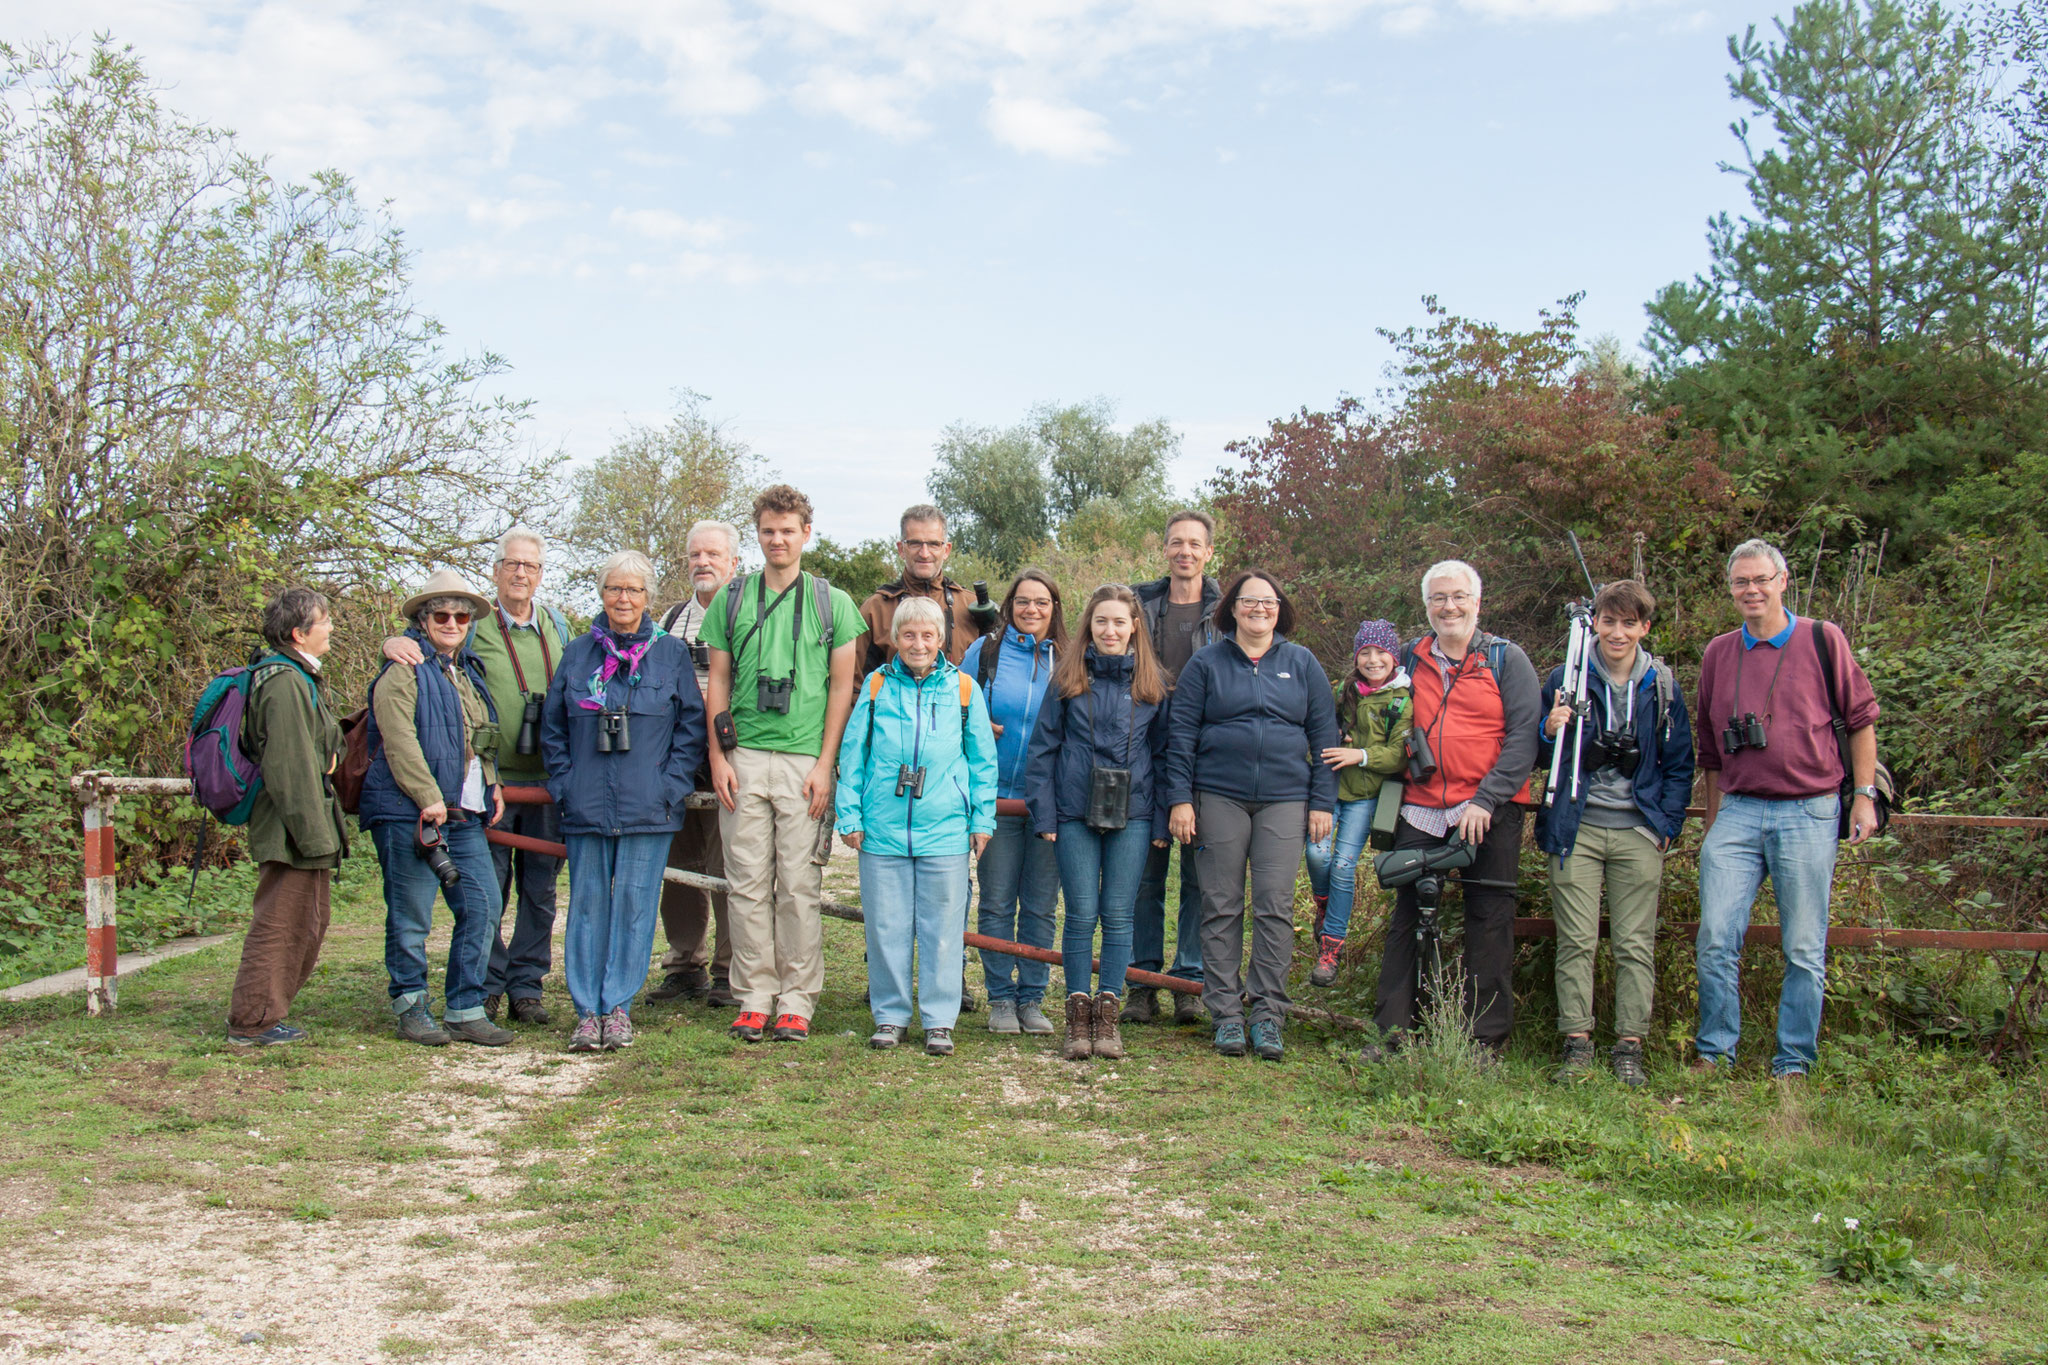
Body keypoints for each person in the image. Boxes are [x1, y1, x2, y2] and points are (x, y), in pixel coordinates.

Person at [1693, 539, 1880, 1081]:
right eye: (1740, 582)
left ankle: (1793, 1061)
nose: (1751, 590)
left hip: (1810, 810)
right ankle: (1715, 1052)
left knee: (1803, 946)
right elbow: (1709, 747)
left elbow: (1862, 720)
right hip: (1739, 810)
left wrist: (1863, 796)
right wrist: (1713, 819)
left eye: (1760, 580)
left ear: (1783, 580)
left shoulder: (1823, 639)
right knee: (1715, 939)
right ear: (1731, 589)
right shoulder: (1718, 652)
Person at [384, 530, 571, 1027]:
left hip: (547, 778)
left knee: (541, 891)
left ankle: (525, 988)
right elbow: (425, 657)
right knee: (490, 888)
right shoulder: (475, 627)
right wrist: (394, 641)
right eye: (511, 564)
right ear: (496, 571)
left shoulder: (557, 624)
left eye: (530, 566)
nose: (521, 574)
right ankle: (484, 987)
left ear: (540, 573)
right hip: (490, 785)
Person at [703, 485, 864, 1043]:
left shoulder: (832, 602)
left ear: (806, 534)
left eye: (787, 530)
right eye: (768, 530)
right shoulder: (731, 598)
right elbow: (717, 680)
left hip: (803, 761)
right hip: (743, 756)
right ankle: (753, 995)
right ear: (758, 533)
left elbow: (843, 689)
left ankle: (797, 999)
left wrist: (827, 764)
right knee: (746, 882)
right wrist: (718, 756)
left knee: (797, 886)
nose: (778, 539)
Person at [1363, 560, 1541, 1062]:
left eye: (1459, 596)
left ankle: (1483, 1042)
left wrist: (1486, 799)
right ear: (1426, 607)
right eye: (1439, 598)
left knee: (1490, 920)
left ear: (1477, 603)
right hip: (1420, 807)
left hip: (1490, 810)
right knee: (1407, 914)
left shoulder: (1508, 660)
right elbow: (1374, 714)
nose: (1449, 607)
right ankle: (1393, 1034)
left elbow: (1525, 736)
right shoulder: (1405, 660)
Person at [1165, 570, 1338, 1062]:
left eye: (1268, 602)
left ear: (1279, 609)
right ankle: (1225, 1015)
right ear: (1232, 609)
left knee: (1275, 905)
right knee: (1220, 904)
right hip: (1218, 796)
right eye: (1249, 601)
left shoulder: (1302, 664)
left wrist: (1322, 802)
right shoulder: (1206, 664)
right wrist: (1180, 798)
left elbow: (1326, 738)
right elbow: (1181, 737)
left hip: (1286, 799)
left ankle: (1267, 1015)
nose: (1259, 609)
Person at [540, 551, 708, 1052]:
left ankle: (618, 1008)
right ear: (602, 594)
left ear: (648, 597)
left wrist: (670, 787)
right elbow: (553, 729)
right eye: (615, 589)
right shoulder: (577, 654)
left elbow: (690, 728)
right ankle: (587, 1011)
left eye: (634, 590)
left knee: (635, 906)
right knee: (588, 907)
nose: (624, 598)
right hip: (586, 803)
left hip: (648, 807)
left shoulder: (670, 654)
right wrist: (565, 785)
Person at [1534, 580, 1694, 1088]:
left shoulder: (1662, 685)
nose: (1617, 632)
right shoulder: (1568, 675)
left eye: (1629, 623)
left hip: (1638, 832)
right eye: (1609, 621)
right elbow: (1539, 755)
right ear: (1595, 623)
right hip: (1576, 828)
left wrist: (1664, 826)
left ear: (1645, 627)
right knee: (1576, 941)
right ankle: (1576, 1042)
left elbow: (1679, 763)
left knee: (1634, 943)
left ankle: (1630, 1045)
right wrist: (1549, 728)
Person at [836, 599, 999, 1055]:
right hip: (883, 830)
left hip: (944, 828)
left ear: (941, 640)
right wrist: (850, 814)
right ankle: (890, 1016)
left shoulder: (965, 690)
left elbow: (983, 762)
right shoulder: (874, 687)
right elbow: (854, 755)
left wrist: (981, 819)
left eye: (928, 635)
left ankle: (939, 1019)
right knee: (886, 926)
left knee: (943, 927)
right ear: (894, 638)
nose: (918, 644)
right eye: (908, 635)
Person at [359, 568, 512, 1048]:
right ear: (424, 620)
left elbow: (479, 739)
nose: (452, 622)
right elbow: (398, 739)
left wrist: (494, 785)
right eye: (441, 614)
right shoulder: (401, 670)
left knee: (483, 906)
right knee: (411, 917)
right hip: (410, 813)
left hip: (462, 813)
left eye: (461, 615)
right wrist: (426, 796)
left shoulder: (466, 671)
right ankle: (410, 1005)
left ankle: (466, 1007)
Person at [1024, 583, 1173, 1061]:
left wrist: (1160, 821)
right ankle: (1077, 1019)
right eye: (1101, 621)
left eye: (1119, 622)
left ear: (1135, 628)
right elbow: (1043, 750)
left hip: (1135, 812)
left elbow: (1166, 756)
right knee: (1082, 913)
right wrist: (1044, 812)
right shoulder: (1067, 681)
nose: (1110, 630)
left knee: (1119, 915)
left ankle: (1107, 1021)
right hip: (1072, 812)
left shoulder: (1153, 686)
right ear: (1090, 625)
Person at [225, 588, 349, 1046]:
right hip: (291, 827)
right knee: (280, 924)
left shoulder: (296, 676)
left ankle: (263, 1015)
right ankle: (252, 1020)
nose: (332, 627)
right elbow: (291, 767)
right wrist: (316, 838)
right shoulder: (284, 681)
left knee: (301, 923)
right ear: (300, 633)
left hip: (298, 824)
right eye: (325, 620)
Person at [958, 570, 1065, 1036]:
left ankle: (1032, 999)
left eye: (1042, 603)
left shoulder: (1070, 660)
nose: (1032, 610)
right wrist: (976, 721)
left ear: (1054, 609)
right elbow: (953, 705)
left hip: (1048, 800)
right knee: (998, 900)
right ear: (1009, 606)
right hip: (995, 798)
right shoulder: (986, 653)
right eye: (1023, 602)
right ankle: (1000, 998)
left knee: (1041, 904)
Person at [1127, 509, 1222, 1027]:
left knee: (1198, 876)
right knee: (1144, 876)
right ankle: (1141, 982)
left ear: (1209, 552)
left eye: (1194, 544)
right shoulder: (1140, 604)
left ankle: (1189, 980)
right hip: (1144, 748)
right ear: (1165, 549)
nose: (1184, 551)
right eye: (1176, 543)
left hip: (1207, 753)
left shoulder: (1227, 610)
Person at [649, 519, 741, 1009]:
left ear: (733, 562)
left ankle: (730, 969)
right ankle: (685, 964)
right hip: (678, 755)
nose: (702, 563)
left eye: (712, 555)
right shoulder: (669, 619)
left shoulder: (748, 614)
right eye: (694, 556)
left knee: (727, 862)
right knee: (678, 861)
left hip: (732, 753)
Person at [1303, 619, 1411, 989]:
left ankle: (1331, 949)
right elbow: (1316, 726)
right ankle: (1323, 903)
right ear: (1356, 656)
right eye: (1365, 652)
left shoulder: (1401, 699)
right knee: (1318, 854)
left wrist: (1360, 755)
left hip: (1365, 797)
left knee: (1345, 866)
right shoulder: (1342, 691)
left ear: (1393, 657)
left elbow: (1398, 754)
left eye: (1381, 652)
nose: (1373, 659)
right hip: (1330, 790)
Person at [856, 504, 984, 673]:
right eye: (915, 543)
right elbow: (855, 686)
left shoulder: (973, 607)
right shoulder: (875, 610)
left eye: (933, 544)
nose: (924, 553)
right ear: (901, 549)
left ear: (946, 550)